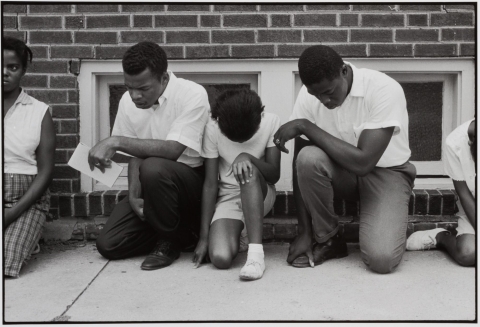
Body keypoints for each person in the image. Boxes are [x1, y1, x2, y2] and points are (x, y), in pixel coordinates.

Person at [274, 45, 416, 274]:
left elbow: (364, 163)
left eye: (329, 92)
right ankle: (330, 239)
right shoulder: (309, 95)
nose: (324, 101)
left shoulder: (383, 89)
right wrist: (304, 232)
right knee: (308, 157)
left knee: (381, 260)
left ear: (344, 71)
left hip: (387, 172)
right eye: (315, 94)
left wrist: (305, 126)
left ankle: (394, 222)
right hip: (341, 172)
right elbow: (300, 164)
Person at [92, 41, 210, 270]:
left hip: (189, 186)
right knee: (109, 244)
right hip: (151, 184)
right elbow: (134, 154)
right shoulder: (128, 102)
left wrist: (115, 141)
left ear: (164, 79)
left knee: (154, 167)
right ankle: (181, 232)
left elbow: (173, 150)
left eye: (143, 89)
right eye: (129, 87)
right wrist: (134, 195)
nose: (134, 96)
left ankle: (169, 241)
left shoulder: (192, 94)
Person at [192, 89, 281, 280]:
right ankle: (242, 233)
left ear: (260, 118)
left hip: (260, 190)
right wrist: (204, 237)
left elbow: (274, 175)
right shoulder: (213, 128)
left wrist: (247, 156)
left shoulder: (270, 121)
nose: (241, 142)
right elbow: (210, 184)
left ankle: (256, 257)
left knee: (247, 171)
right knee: (220, 258)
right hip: (229, 197)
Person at [3, 36, 56, 278]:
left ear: (23, 70)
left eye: (12, 67)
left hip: (26, 201)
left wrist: (11, 214)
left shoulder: (39, 111)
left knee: (5, 260)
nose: (4, 73)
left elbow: (45, 172)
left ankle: (21, 236)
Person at [406, 119, 475, 266]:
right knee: (468, 254)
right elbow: (464, 194)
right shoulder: (455, 142)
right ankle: (442, 237)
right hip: (474, 206)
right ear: (472, 141)